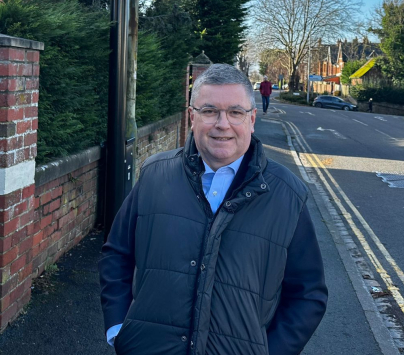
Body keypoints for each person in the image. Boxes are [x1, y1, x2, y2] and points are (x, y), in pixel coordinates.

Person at [99, 63, 327, 355]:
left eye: (235, 112)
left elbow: (308, 294)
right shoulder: (155, 175)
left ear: (252, 119)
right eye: (209, 111)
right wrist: (119, 330)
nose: (222, 123)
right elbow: (116, 254)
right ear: (192, 117)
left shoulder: (288, 194)